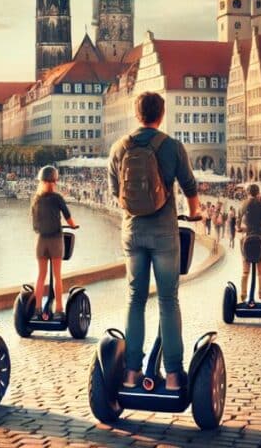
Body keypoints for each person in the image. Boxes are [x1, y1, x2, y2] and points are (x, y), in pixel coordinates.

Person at [108, 92, 199, 391]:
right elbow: (189, 186)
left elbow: (116, 192)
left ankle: (131, 373)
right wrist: (194, 213)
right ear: (161, 115)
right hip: (163, 234)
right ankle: (173, 376)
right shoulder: (172, 146)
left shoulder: (119, 147)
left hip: (132, 233)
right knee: (168, 300)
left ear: (137, 115)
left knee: (135, 299)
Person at [30, 165, 78, 321]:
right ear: (54, 181)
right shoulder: (57, 198)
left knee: (40, 276)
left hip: (40, 241)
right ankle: (58, 310)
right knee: (57, 276)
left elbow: (34, 223)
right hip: (55, 240)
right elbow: (68, 217)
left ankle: (37, 310)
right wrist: (73, 226)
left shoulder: (36, 199)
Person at [238, 184, 261, 301]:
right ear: (258, 193)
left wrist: (241, 228)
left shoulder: (243, 204)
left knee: (245, 271)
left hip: (247, 236)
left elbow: (238, 223)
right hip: (260, 237)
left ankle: (243, 293)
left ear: (248, 193)